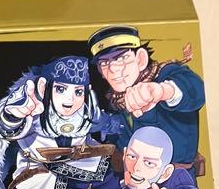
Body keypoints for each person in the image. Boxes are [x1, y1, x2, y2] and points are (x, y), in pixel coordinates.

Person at [0, 54, 121, 189]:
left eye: (78, 92)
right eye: (60, 89)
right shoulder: (34, 108)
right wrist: (13, 116)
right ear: (44, 87)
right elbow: (7, 128)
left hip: (88, 168)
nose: (70, 99)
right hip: (41, 173)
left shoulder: (88, 111)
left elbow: (108, 124)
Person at [88, 25, 205, 170]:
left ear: (141, 59)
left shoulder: (166, 74)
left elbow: (195, 90)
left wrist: (161, 91)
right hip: (134, 177)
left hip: (175, 178)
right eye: (104, 63)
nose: (113, 69)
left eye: (122, 58)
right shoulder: (116, 101)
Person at [119, 125, 209, 189]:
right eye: (132, 156)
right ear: (124, 155)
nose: (136, 167)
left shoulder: (176, 179)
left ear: (165, 172)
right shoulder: (115, 182)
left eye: (149, 163)